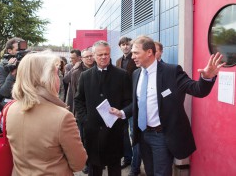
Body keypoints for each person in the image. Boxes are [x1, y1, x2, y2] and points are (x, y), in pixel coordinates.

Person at [111, 36, 225, 176]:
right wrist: (122, 113)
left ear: (149, 52)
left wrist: (207, 78)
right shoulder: (136, 74)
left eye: (136, 53)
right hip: (143, 135)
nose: (132, 56)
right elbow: (139, 103)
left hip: (162, 137)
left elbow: (197, 89)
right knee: (150, 172)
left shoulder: (172, 71)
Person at [6, 51, 87, 175]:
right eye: (56, 73)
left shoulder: (10, 109)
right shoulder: (62, 116)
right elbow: (79, 163)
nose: (59, 77)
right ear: (45, 78)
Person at [74, 40, 132, 176]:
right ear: (93, 55)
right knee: (94, 168)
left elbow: (129, 101)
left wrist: (120, 117)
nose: (103, 57)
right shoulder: (85, 76)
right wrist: (85, 120)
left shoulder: (122, 75)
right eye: (100, 55)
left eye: (106, 54)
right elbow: (78, 100)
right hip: (93, 132)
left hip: (114, 131)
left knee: (114, 167)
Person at [71, 47, 95, 174]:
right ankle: (87, 162)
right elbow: (75, 94)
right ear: (82, 58)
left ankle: (97, 161)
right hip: (83, 112)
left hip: (97, 111)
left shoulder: (100, 69)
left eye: (91, 56)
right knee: (84, 139)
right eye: (87, 57)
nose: (90, 58)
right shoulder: (76, 73)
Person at [116, 36, 138, 171]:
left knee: (133, 133)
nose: (125, 46)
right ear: (120, 47)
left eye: (127, 44)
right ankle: (127, 158)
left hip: (134, 99)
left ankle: (136, 162)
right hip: (122, 102)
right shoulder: (118, 61)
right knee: (124, 132)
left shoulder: (135, 60)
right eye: (122, 44)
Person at [0, 37, 24, 105]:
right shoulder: (1, 66)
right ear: (9, 51)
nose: (22, 52)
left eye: (24, 50)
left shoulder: (27, 64)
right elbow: (3, 92)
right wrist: (13, 73)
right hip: (9, 103)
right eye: (18, 50)